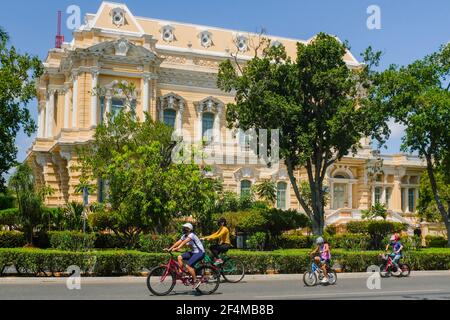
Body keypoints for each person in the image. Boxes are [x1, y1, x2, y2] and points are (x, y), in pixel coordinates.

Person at [166, 223, 205, 289]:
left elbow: (184, 242)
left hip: (199, 253)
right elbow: (179, 241)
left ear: (189, 229)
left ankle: (195, 281)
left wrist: (177, 248)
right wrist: (170, 248)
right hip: (193, 252)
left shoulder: (192, 235)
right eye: (183, 228)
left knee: (188, 266)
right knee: (179, 257)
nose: (183, 229)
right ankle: (182, 274)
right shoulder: (184, 235)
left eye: (185, 228)